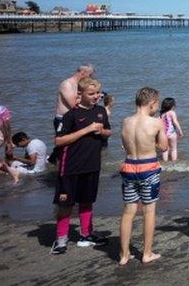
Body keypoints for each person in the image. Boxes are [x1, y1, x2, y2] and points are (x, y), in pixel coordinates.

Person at [51, 76, 111, 254]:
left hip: (92, 164)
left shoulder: (101, 111)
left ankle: (86, 234)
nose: (96, 96)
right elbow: (59, 141)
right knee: (66, 204)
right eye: (91, 93)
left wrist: (102, 131)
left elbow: (108, 131)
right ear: (80, 94)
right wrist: (86, 130)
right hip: (70, 166)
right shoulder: (71, 115)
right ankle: (61, 239)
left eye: (98, 93)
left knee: (87, 201)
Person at [118, 86, 168, 265]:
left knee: (128, 212)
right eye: (157, 104)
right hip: (148, 169)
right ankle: (147, 253)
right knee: (149, 211)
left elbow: (125, 145)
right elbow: (164, 147)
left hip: (129, 168)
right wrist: (153, 142)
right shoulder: (155, 122)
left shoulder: (125, 121)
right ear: (152, 103)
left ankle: (124, 255)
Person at [49, 65, 94, 164]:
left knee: (75, 146)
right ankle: (56, 164)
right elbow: (73, 104)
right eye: (90, 75)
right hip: (63, 119)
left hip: (75, 118)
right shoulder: (67, 84)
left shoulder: (80, 85)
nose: (91, 78)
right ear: (82, 73)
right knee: (63, 147)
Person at [159, 98, 183, 162]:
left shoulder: (162, 114)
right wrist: (180, 131)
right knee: (174, 149)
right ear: (172, 106)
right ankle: (174, 163)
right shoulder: (172, 112)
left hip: (164, 134)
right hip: (172, 134)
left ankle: (165, 163)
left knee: (165, 150)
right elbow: (175, 122)